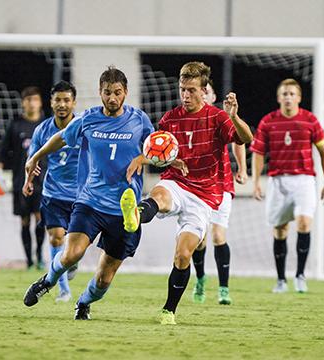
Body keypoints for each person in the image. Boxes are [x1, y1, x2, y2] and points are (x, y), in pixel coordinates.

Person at [120, 61, 253, 325]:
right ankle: (134, 214)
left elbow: (246, 139)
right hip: (176, 182)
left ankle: (169, 310)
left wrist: (234, 116)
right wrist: (147, 159)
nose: (186, 95)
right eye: (182, 89)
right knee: (159, 198)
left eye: (191, 90)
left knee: (183, 255)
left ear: (204, 90)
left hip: (204, 196)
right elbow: (160, 153)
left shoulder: (217, 118)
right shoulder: (170, 118)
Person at [22, 67, 154, 320]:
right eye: (107, 93)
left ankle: (84, 301)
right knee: (72, 253)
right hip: (91, 201)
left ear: (126, 92)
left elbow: (157, 153)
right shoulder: (88, 118)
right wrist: (36, 156)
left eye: (117, 93)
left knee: (104, 278)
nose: (112, 98)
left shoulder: (140, 120)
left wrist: (142, 158)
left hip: (125, 209)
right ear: (100, 93)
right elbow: (62, 137)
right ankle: (47, 282)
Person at [250, 78, 324, 294]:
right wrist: (256, 182)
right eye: (284, 93)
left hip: (305, 180)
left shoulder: (310, 120)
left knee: (305, 222)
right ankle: (280, 280)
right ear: (279, 98)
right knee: (280, 229)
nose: (288, 97)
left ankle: (300, 276)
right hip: (278, 181)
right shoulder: (268, 122)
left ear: (299, 98)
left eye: (292, 94)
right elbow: (258, 153)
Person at [191, 80, 248, 305]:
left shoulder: (219, 117)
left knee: (218, 236)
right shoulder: (188, 118)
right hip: (196, 187)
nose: (203, 95)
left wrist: (242, 169)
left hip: (221, 183)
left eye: (207, 91)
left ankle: (224, 289)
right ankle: (201, 279)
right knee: (199, 240)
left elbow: (239, 140)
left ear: (213, 96)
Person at [22, 80, 80, 303]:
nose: (62, 104)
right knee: (56, 238)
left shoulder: (82, 127)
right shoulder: (43, 129)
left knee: (75, 246)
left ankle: (71, 261)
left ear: (73, 103)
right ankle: (63, 289)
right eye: (58, 100)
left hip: (81, 196)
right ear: (51, 102)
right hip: (53, 193)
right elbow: (32, 159)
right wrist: (28, 181)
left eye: (67, 100)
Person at [0, 87, 46, 270]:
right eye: (28, 99)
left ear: (40, 102)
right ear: (23, 102)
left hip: (43, 182)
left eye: (35, 99)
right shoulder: (15, 125)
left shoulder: (46, 124)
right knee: (24, 220)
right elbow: (2, 151)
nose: (31, 103)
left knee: (41, 219)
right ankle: (29, 261)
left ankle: (39, 256)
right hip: (20, 181)